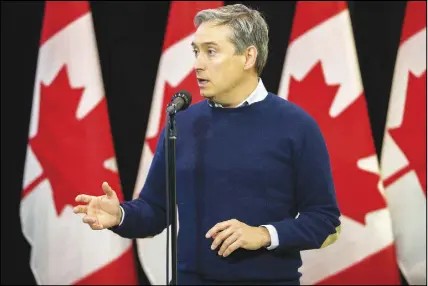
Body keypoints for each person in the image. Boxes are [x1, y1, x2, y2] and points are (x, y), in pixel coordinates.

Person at [73, 4, 341, 285]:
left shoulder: (296, 126)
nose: (197, 64)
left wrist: (264, 234)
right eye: (196, 51)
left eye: (211, 51)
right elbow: (155, 210)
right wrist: (120, 215)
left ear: (248, 56)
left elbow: (324, 220)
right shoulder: (184, 122)